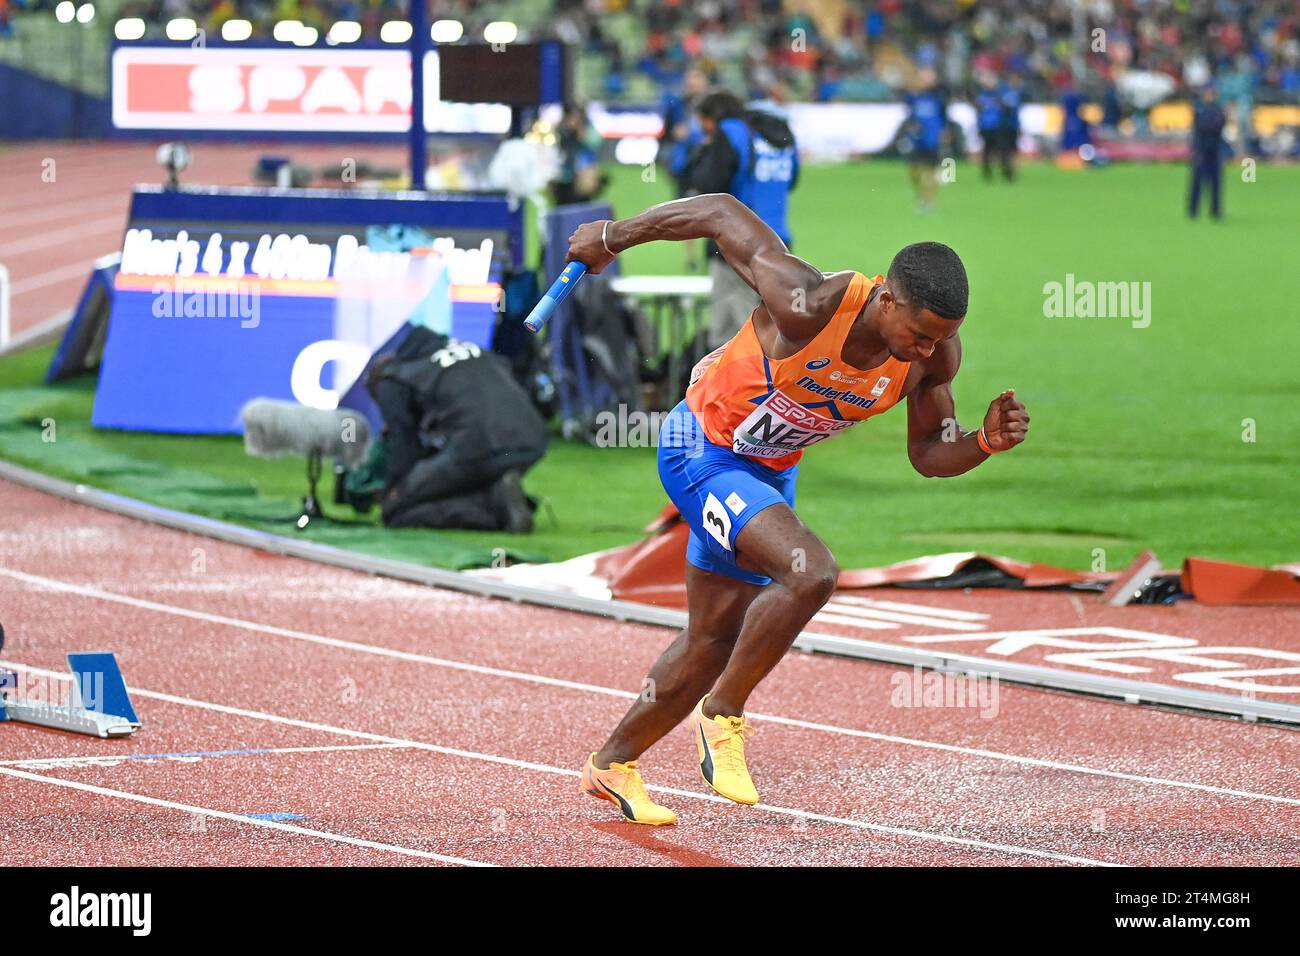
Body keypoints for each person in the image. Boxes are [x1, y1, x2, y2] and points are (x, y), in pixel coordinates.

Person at [566, 193, 1030, 824]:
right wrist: (615, 236)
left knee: (711, 637)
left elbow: (929, 450)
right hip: (698, 449)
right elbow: (722, 213)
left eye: (941, 339)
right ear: (886, 300)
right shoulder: (809, 304)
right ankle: (722, 715)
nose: (927, 351)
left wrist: (982, 443)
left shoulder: (934, 357)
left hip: (766, 476)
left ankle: (612, 763)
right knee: (810, 572)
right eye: (919, 335)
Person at [366, 328, 548, 532]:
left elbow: (403, 445)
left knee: (396, 510)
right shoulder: (471, 351)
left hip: (481, 446)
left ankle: (494, 509)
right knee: (455, 475)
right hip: (533, 439)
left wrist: (393, 490)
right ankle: (500, 491)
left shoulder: (392, 380)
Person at [682, 89, 799, 350]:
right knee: (772, 330)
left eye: (706, 126)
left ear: (714, 117)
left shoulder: (732, 131)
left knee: (731, 336)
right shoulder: (783, 135)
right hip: (782, 245)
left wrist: (703, 153)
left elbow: (709, 182)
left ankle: (734, 391)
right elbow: (791, 181)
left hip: (737, 245)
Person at [902, 69, 948, 212]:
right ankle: (921, 196)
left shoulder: (939, 96)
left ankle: (929, 200)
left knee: (930, 170)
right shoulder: (913, 97)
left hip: (932, 138)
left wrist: (944, 131)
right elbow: (909, 114)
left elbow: (944, 116)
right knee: (914, 171)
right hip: (917, 139)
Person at [1189, 85, 1227, 220]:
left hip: (1215, 150)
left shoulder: (1217, 110)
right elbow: (1201, 127)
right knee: (1197, 182)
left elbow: (1217, 124)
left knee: (1216, 183)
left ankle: (1215, 211)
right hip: (1201, 150)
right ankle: (1193, 211)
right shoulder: (1200, 109)